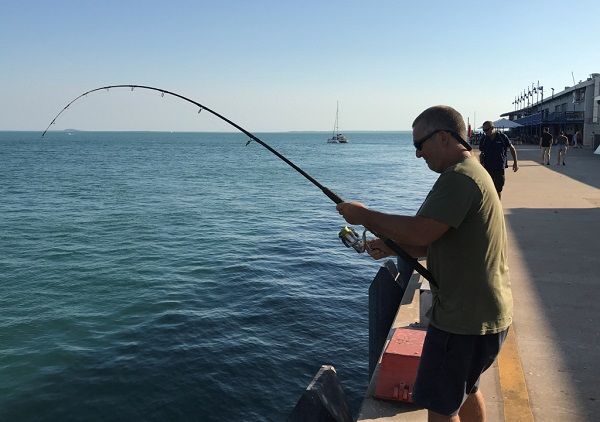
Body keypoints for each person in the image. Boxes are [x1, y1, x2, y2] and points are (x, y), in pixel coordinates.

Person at [336, 105, 512, 422]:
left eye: (420, 144)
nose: (418, 154)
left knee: (441, 409)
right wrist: (392, 248)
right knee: (466, 390)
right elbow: (433, 239)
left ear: (443, 137)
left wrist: (363, 215)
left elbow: (422, 229)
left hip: (463, 319)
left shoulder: (458, 178)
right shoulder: (472, 172)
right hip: (486, 313)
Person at [479, 121, 519, 199]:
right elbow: (481, 153)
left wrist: (515, 163)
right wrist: (481, 166)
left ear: (493, 128)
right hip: (487, 167)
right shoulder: (484, 139)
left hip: (499, 167)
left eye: (487, 130)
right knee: (488, 189)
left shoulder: (502, 137)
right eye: (484, 130)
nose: (485, 132)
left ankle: (498, 205)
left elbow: (512, 148)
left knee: (498, 189)